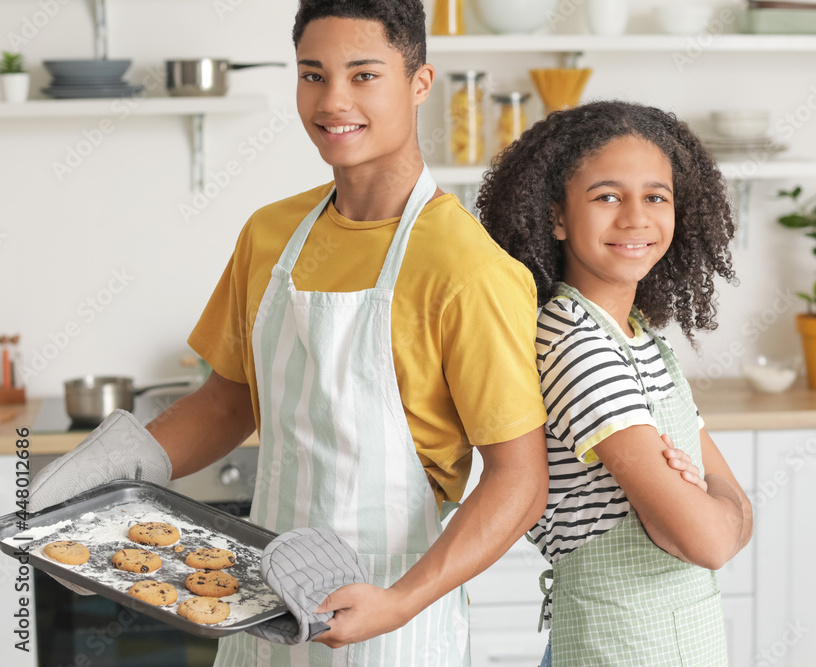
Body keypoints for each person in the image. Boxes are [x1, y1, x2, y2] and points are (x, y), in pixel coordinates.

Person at [28, 0, 550, 664]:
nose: (333, 101)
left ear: (421, 83)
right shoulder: (270, 235)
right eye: (312, 74)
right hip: (262, 603)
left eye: (364, 75)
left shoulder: (468, 267)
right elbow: (228, 399)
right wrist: (121, 464)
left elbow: (519, 480)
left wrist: (401, 600)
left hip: (389, 617)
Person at [477, 100, 754, 666]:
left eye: (655, 196)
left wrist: (709, 507)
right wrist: (711, 505)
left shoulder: (638, 337)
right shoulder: (575, 345)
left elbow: (724, 517)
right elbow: (710, 540)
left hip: (683, 643)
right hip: (617, 647)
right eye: (607, 196)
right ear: (555, 216)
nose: (635, 217)